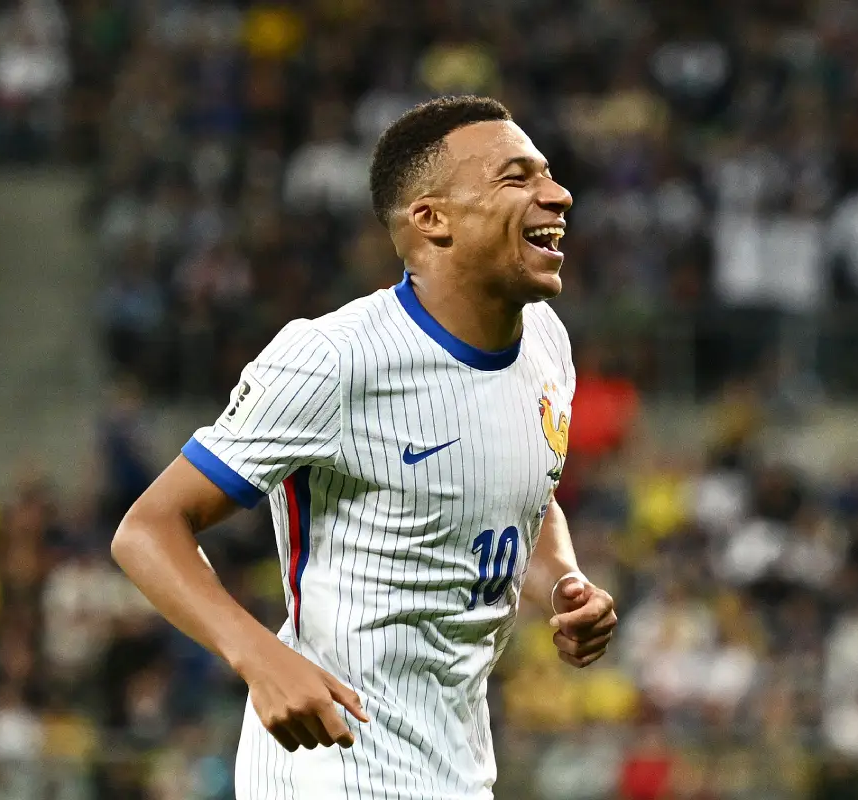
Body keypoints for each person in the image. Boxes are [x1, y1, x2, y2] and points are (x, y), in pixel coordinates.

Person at [110, 95, 618, 800]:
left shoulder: (546, 345)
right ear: (431, 219)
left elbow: (526, 497)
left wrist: (563, 583)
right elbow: (147, 530)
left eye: (549, 174)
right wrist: (261, 659)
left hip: (457, 767)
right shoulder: (335, 359)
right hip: (332, 761)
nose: (557, 194)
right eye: (517, 177)